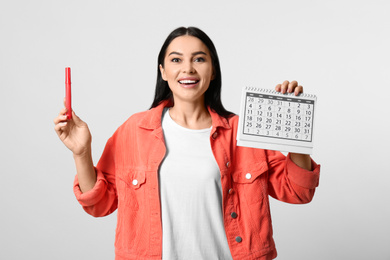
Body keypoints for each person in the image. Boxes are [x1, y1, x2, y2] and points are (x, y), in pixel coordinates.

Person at [54, 27, 320, 260]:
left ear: (213, 70)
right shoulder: (134, 131)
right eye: (176, 59)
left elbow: (298, 191)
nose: (188, 68)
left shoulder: (240, 131)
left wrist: (294, 128)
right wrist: (82, 152)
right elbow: (99, 204)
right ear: (163, 71)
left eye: (199, 59)